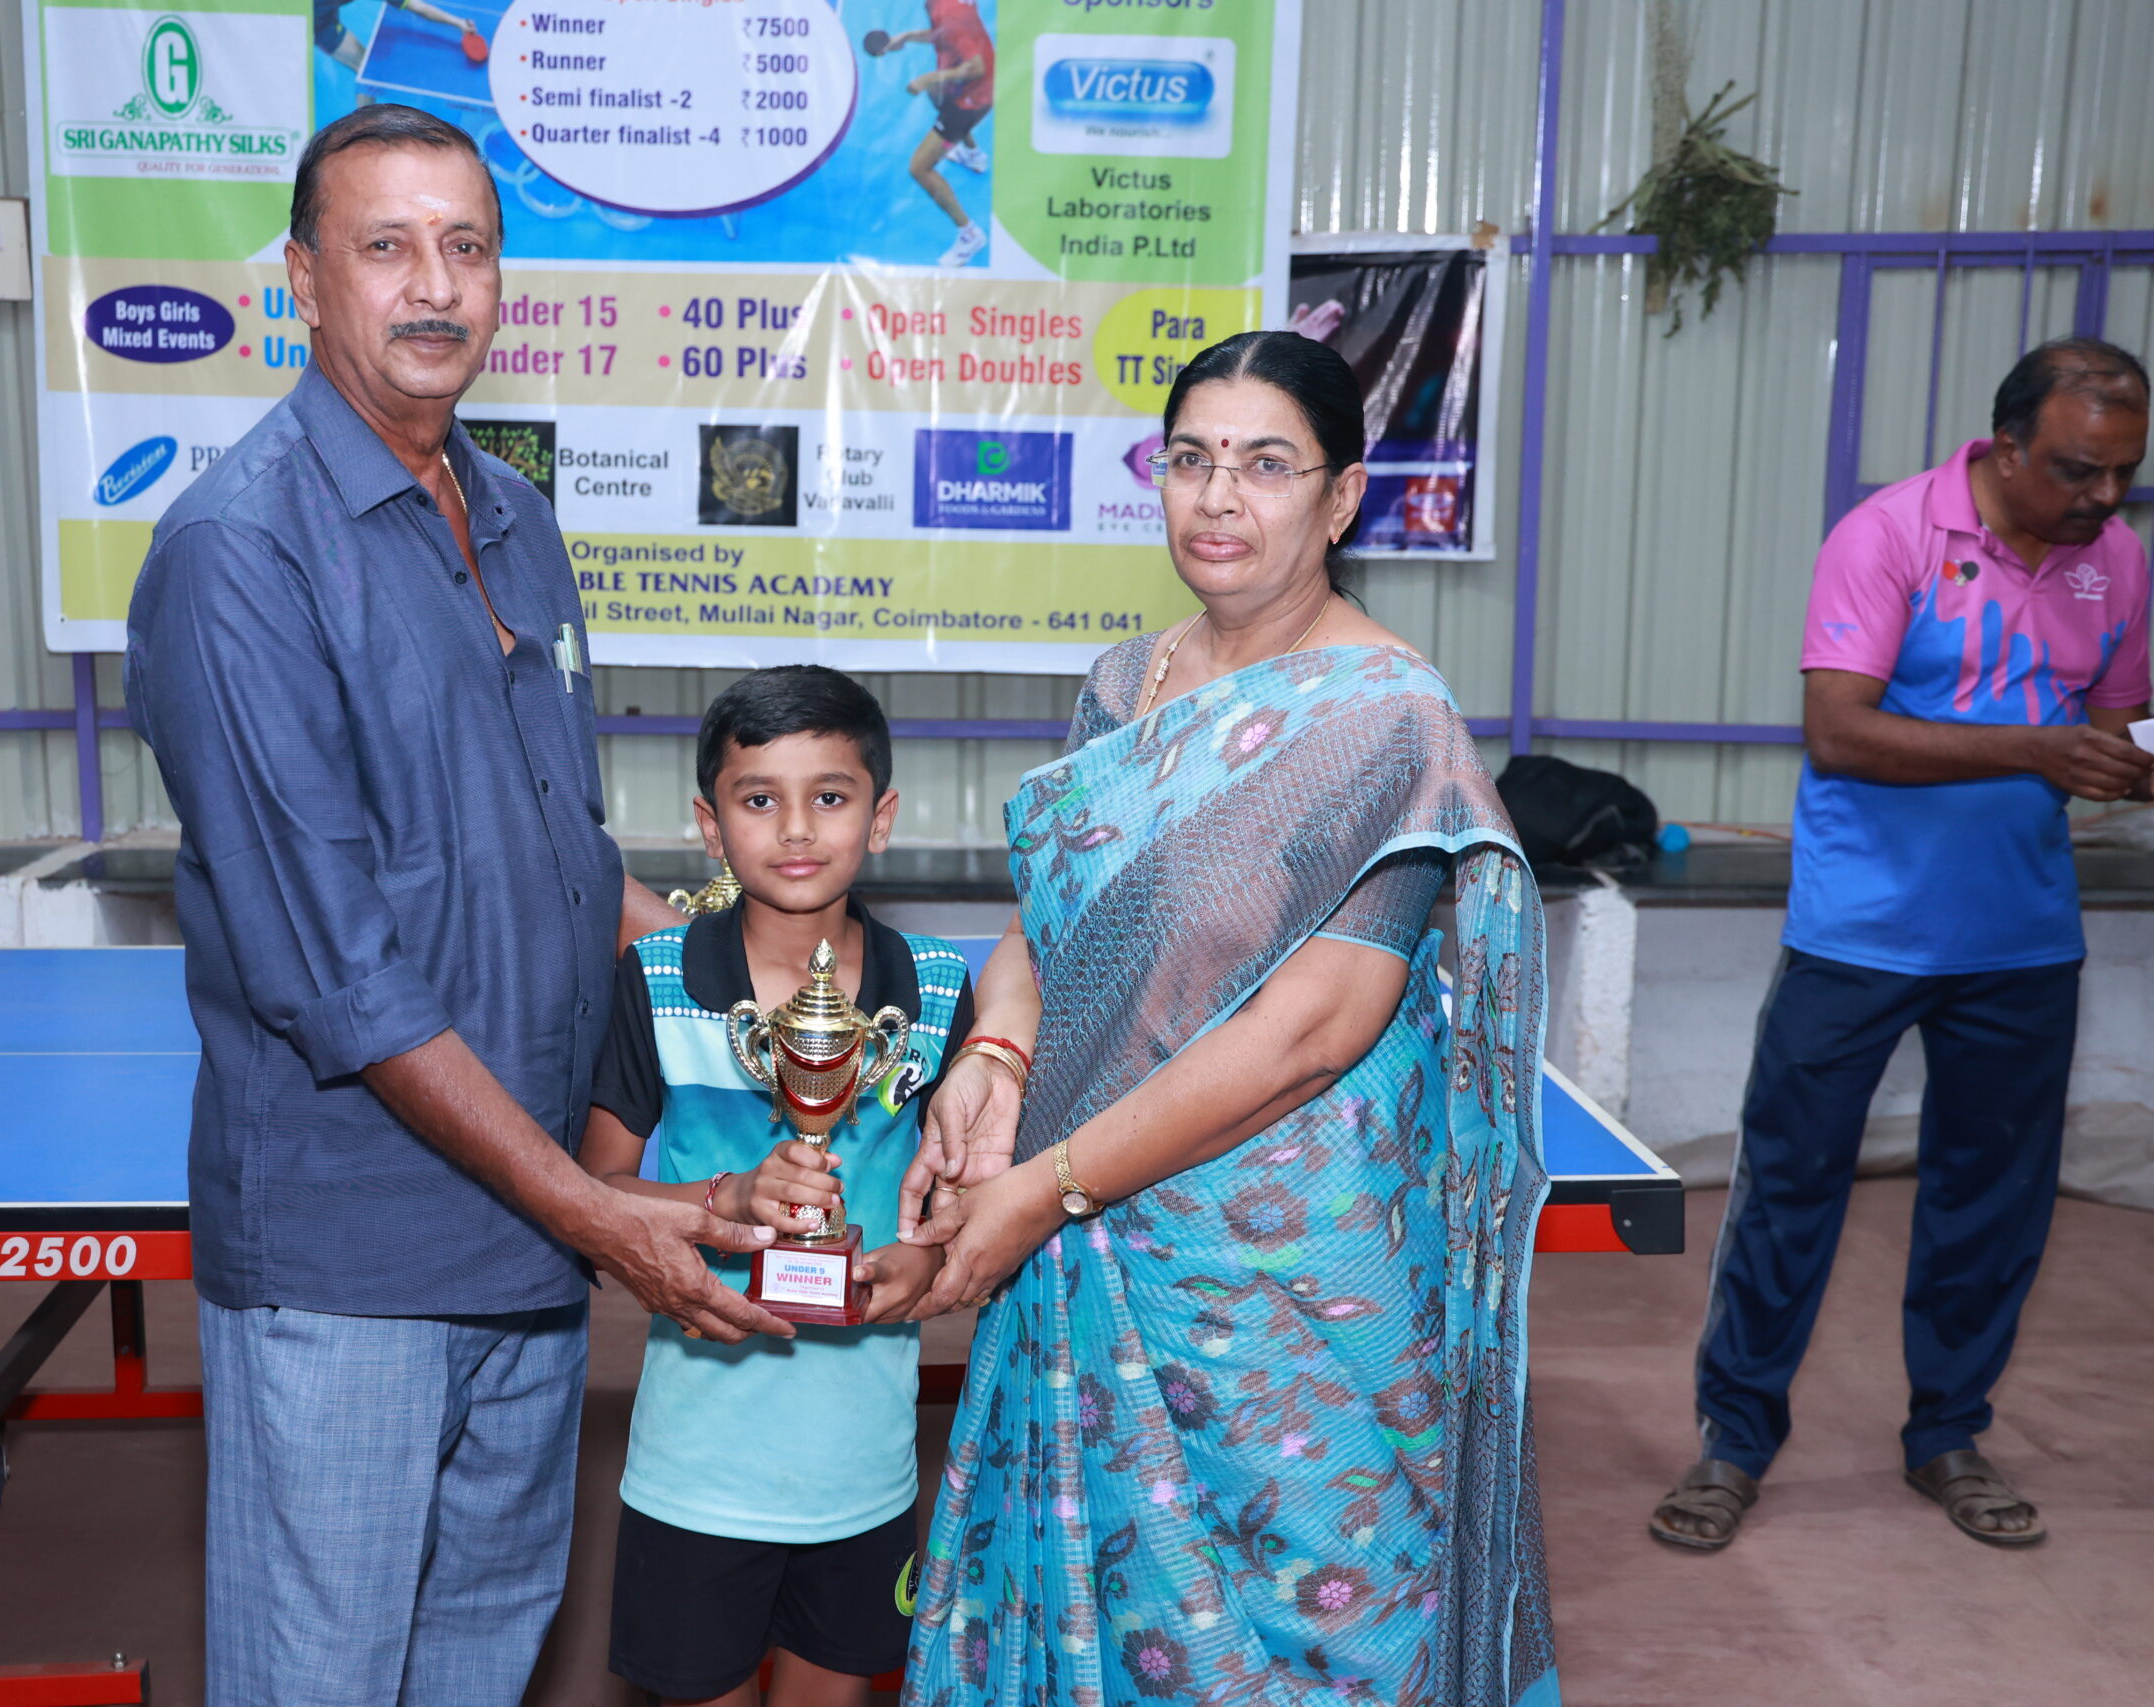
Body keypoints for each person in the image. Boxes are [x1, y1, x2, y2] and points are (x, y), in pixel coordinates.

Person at [124, 104, 792, 1707]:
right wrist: (599, 1213)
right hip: (354, 1258)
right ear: (304, 279)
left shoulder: (516, 518)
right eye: (387, 246)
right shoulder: (239, 554)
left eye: (467, 247)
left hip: (528, 1252)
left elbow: (561, 859)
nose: (435, 285)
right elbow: (339, 974)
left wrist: (772, 976)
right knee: (326, 1679)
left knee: (481, 1659)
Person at [890, 331, 1560, 1705]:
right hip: (1092, 1220)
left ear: (1342, 496)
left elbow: (1316, 1029)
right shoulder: (1121, 684)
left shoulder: (1388, 717)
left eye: (1265, 465)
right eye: (1190, 459)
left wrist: (1044, 1190)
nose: (1217, 497)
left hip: (1289, 1274)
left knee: (1311, 1618)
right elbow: (1050, 925)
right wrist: (997, 1051)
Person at [1651, 338, 2151, 1553]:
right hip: (1860, 933)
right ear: (2005, 447)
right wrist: (2036, 749)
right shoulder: (1888, 536)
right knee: (1790, 1190)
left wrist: (2126, 762)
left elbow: (2110, 726)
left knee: (1992, 1203)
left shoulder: (2117, 563)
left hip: (2021, 938)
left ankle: (1947, 1436)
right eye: (2077, 470)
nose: (2103, 497)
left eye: (2123, 474)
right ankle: (1732, 1444)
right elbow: (1839, 731)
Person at [583, 666, 979, 1707]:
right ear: (710, 827)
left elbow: (965, 1197)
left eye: (830, 796)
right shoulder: (657, 980)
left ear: (880, 817)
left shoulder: (937, 990)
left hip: (864, 1475)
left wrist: (927, 1259)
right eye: (759, 798)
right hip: (694, 1476)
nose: (796, 828)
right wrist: (724, 1200)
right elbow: (594, 1193)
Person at [869, 3, 992, 267]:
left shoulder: (948, 11)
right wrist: (908, 37)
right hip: (972, 87)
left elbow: (976, 67)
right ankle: (973, 155)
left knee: (920, 167)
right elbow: (947, 35)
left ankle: (970, 234)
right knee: (936, 94)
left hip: (971, 100)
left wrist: (928, 78)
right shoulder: (941, 5)